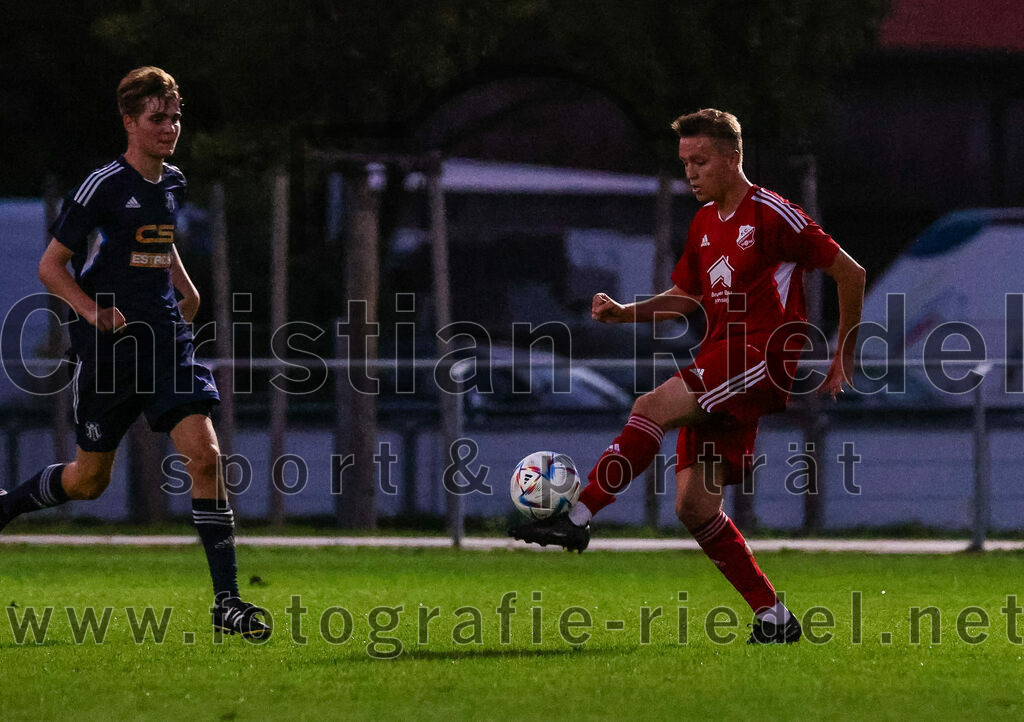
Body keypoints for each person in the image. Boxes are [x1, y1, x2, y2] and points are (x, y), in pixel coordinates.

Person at [510, 108, 865, 644]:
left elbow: (850, 272)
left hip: (760, 355)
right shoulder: (703, 224)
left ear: (732, 157)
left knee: (650, 407)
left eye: (700, 161)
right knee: (694, 507)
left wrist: (844, 351)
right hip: (724, 356)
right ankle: (775, 619)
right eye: (685, 163)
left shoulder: (772, 214)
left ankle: (577, 515)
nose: (691, 173)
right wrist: (624, 313)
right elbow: (685, 298)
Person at [0, 67, 269, 639]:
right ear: (129, 122)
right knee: (88, 481)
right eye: (157, 118)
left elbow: (158, 240)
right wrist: (90, 310)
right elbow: (51, 266)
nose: (170, 128)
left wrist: (186, 289)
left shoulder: (173, 182)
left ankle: (227, 602)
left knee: (206, 457)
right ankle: (7, 506)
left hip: (165, 341)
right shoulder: (102, 185)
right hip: (110, 351)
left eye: (175, 117)